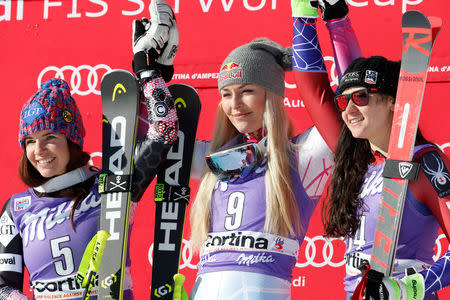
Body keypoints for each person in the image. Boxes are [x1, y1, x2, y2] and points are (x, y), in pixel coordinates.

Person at [0, 1, 179, 299]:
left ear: (72, 141)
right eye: (29, 141)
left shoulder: (113, 185)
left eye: (50, 136)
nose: (39, 150)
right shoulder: (16, 208)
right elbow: (4, 285)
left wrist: (146, 68)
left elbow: (164, 131)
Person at [183, 1, 361, 299]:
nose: (234, 104)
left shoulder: (303, 158)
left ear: (274, 96)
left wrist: (334, 22)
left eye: (247, 91)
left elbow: (353, 104)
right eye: (226, 94)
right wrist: (151, 73)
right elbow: (155, 141)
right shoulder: (213, 161)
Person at [316, 56, 450, 300]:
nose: (349, 109)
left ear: (391, 101)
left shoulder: (425, 161)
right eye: (343, 101)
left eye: (361, 97)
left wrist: (405, 289)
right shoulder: (360, 167)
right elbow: (313, 94)